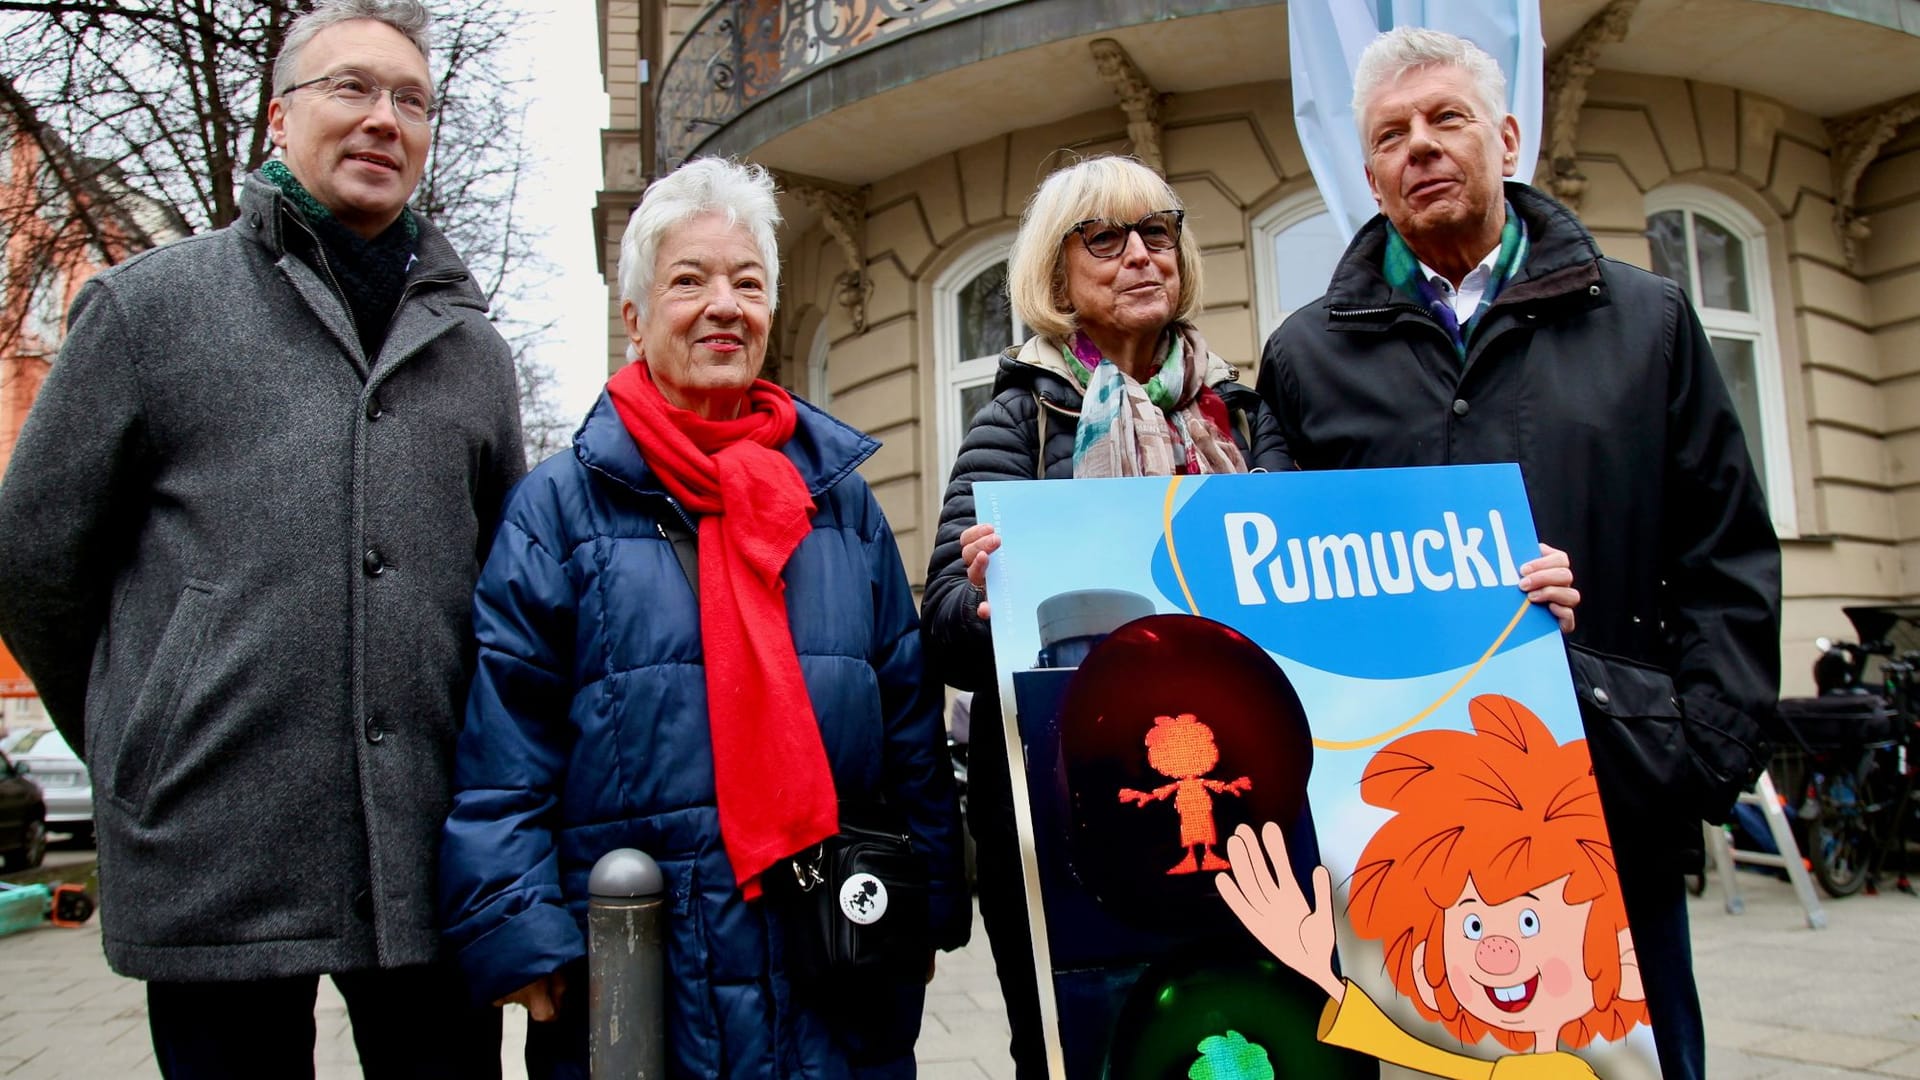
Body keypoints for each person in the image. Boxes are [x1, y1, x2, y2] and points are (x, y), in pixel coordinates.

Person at [919, 154, 1580, 1076]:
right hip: (1079, 823)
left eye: (1158, 232)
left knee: (1276, 1028)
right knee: (1093, 1045)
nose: (1140, 256)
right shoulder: (1017, 424)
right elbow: (943, 625)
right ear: (1055, 272)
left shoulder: (1241, 410)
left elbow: (1329, 588)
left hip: (1258, 804)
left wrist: (1506, 596)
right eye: (1104, 239)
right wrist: (982, 596)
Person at [0, 1, 522, 1075]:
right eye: (351, 88)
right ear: (278, 118)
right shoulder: (149, 312)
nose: (383, 118)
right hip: (214, 850)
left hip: (429, 855)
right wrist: (143, 737)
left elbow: (504, 594)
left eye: (410, 100)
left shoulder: (473, 353)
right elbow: (35, 565)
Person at [1256, 27, 1781, 1080]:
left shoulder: (1650, 322)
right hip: (1405, 816)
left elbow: (1727, 557)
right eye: (1392, 135)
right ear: (1368, 176)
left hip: (1608, 794)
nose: (1422, 148)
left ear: (1506, 136)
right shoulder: (1305, 358)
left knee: (1632, 1063)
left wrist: (1697, 758)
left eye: (1447, 120)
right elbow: (1282, 592)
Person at [438, 157, 969, 1079]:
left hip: (836, 959)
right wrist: (519, 932)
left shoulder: (838, 501)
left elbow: (909, 720)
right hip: (642, 967)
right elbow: (506, 738)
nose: (724, 304)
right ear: (636, 316)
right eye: (690, 281)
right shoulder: (560, 509)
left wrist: (925, 902)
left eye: (748, 282)